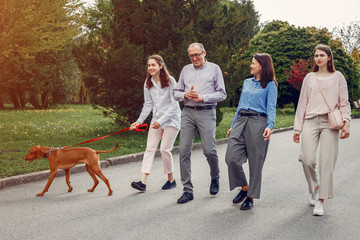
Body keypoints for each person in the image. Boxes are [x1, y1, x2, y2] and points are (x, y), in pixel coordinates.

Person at [293, 44, 351, 216]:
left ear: (329, 58)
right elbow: (302, 103)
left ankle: (320, 200)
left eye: (322, 55)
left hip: (330, 123)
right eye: (316, 55)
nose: (318, 58)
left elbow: (344, 102)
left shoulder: (338, 77)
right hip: (311, 120)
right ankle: (315, 187)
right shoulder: (309, 77)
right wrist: (297, 128)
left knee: (326, 163)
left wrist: (346, 122)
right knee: (307, 159)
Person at [173, 42, 227, 204]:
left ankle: (215, 177)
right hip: (188, 112)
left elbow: (222, 94)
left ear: (204, 53)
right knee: (183, 151)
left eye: (197, 54)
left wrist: (204, 97)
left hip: (207, 112)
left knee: (209, 150)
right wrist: (185, 95)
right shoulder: (185, 70)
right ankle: (187, 190)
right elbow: (176, 93)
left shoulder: (214, 69)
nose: (195, 58)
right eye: (191, 55)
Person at [225, 53, 278, 210]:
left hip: (258, 122)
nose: (250, 65)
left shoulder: (270, 85)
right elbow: (240, 105)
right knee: (231, 158)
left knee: (256, 162)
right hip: (241, 121)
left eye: (253, 63)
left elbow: (271, 107)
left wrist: (270, 126)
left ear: (262, 66)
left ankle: (251, 196)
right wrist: (233, 124)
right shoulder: (247, 82)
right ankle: (244, 187)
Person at [130, 55, 181, 192]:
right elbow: (148, 105)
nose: (150, 68)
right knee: (150, 148)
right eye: (148, 65)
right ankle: (142, 182)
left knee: (164, 149)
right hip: (156, 120)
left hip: (171, 119)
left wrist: (161, 121)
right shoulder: (148, 83)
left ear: (160, 66)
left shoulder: (171, 81)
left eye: (153, 65)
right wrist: (139, 121)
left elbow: (174, 105)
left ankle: (171, 180)